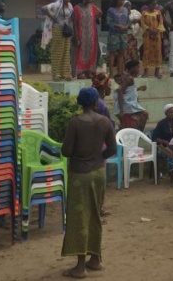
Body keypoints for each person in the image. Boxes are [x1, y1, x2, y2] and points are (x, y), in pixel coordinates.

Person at [61, 87, 117, 278]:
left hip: (79, 174)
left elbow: (66, 151)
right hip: (99, 172)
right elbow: (112, 149)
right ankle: (95, 259)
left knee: (79, 219)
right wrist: (97, 156)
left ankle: (79, 267)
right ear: (95, 103)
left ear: (80, 103)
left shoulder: (75, 123)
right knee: (95, 214)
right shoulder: (105, 122)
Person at [41, 0, 73, 81]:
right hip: (57, 29)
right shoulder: (56, 4)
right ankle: (56, 74)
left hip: (66, 30)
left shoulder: (70, 6)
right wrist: (54, 18)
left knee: (66, 52)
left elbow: (70, 16)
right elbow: (43, 8)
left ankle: (65, 74)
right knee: (57, 51)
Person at [71, 0, 102, 79]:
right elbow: (74, 23)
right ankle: (79, 73)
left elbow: (100, 13)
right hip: (81, 35)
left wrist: (93, 19)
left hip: (91, 35)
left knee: (91, 53)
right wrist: (76, 36)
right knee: (80, 54)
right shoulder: (76, 8)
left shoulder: (92, 7)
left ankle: (89, 72)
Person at [152, 103, 173, 178]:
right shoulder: (161, 124)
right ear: (166, 113)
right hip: (165, 147)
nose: (172, 114)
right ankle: (172, 178)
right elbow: (155, 138)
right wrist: (165, 142)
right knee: (172, 158)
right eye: (170, 112)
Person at [115, 60, 149, 131]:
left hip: (129, 104)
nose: (139, 69)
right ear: (132, 68)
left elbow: (128, 91)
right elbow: (120, 92)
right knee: (145, 114)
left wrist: (138, 89)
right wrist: (121, 110)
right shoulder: (128, 78)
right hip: (128, 105)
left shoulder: (127, 77)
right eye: (137, 67)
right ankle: (140, 133)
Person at [141, 0, 166, 79]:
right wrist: (149, 29)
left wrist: (157, 30)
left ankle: (157, 72)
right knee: (146, 52)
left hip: (157, 36)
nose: (153, 6)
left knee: (157, 52)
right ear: (149, 4)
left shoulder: (158, 12)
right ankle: (145, 72)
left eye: (155, 4)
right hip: (147, 35)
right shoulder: (144, 13)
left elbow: (161, 22)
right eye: (152, 4)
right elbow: (142, 23)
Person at [106, 0, 130, 77]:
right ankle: (111, 72)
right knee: (112, 53)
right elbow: (109, 22)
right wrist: (117, 25)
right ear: (116, 0)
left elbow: (128, 20)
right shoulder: (111, 10)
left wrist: (126, 26)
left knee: (121, 52)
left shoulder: (126, 10)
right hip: (114, 33)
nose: (122, 1)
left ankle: (120, 72)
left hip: (123, 34)